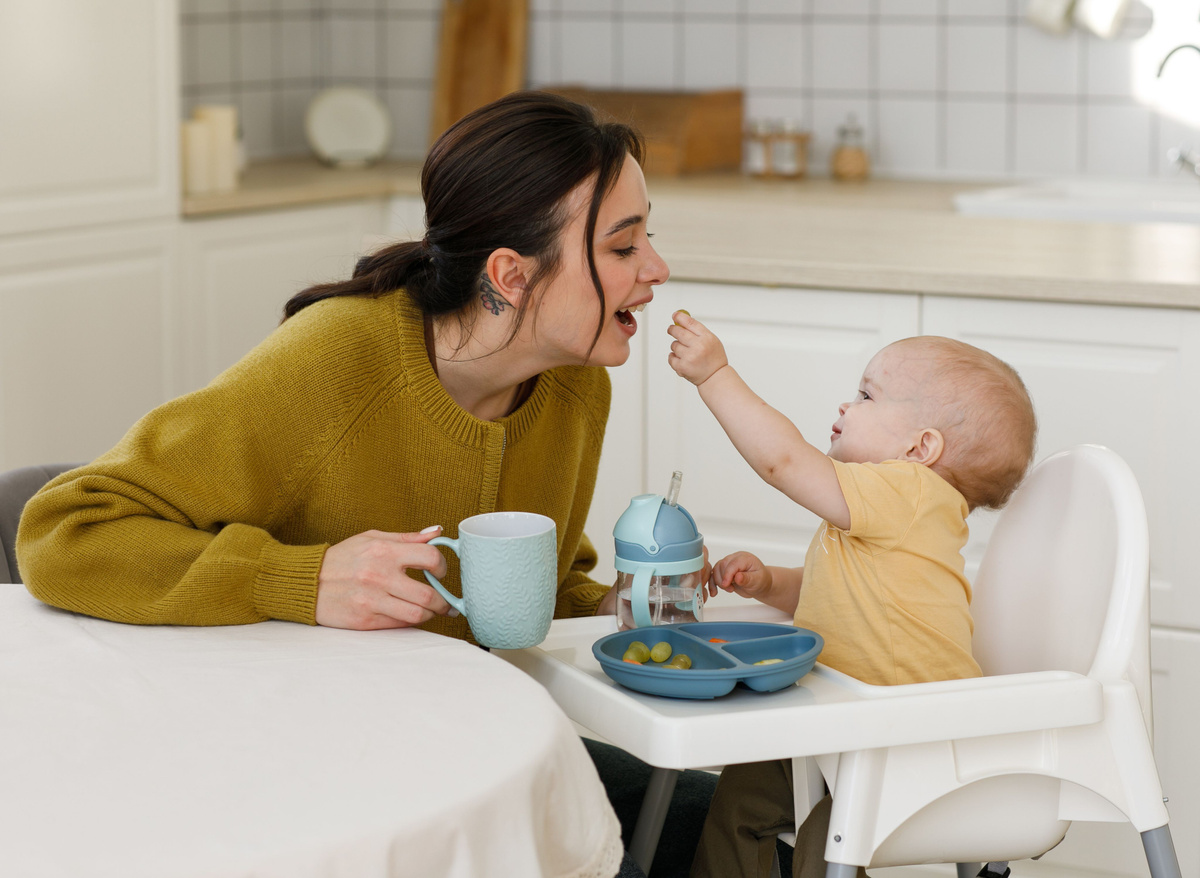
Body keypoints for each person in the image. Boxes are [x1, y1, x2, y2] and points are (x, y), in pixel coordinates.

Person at [17, 90, 713, 878]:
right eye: (624, 248)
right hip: (289, 767)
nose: (655, 269)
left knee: (714, 819)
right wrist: (304, 579)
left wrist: (620, 609)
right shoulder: (335, 362)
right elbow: (65, 529)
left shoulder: (574, 385)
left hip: (456, 744)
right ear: (511, 275)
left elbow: (527, 589)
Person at [665, 314, 1038, 878]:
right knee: (743, 792)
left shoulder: (911, 491)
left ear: (921, 448)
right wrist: (771, 583)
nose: (845, 406)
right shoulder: (887, 513)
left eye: (867, 395)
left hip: (911, 739)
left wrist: (715, 374)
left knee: (828, 831)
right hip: (847, 728)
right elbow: (838, 596)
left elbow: (783, 461)